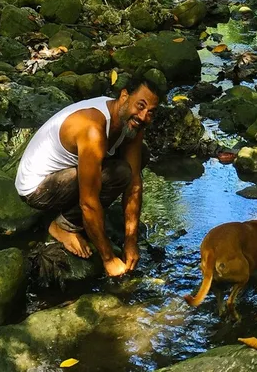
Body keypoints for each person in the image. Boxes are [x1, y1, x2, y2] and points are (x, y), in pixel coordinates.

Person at [15, 77, 161, 278]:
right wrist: (108, 258)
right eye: (140, 106)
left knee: (139, 157)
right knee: (119, 173)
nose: (143, 116)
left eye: (151, 112)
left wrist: (131, 241)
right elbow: (88, 202)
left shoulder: (132, 123)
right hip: (37, 188)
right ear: (124, 96)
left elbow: (134, 184)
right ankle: (63, 225)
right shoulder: (93, 128)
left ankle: (73, 219)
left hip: (66, 174)